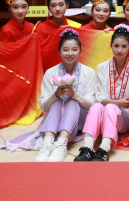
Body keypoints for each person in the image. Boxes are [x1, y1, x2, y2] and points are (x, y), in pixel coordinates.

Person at [73, 25, 129, 162]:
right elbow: (100, 96)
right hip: (109, 110)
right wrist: (119, 102)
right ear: (111, 45)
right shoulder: (102, 67)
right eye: (116, 45)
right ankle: (87, 148)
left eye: (124, 46)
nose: (119, 50)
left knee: (110, 107)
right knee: (96, 106)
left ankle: (104, 149)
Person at [33, 29, 95, 162]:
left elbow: (92, 104)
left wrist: (75, 95)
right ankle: (48, 144)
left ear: (80, 51)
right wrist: (55, 95)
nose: (70, 53)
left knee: (72, 102)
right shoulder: (51, 72)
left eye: (74, 49)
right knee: (56, 101)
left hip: (80, 120)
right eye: (66, 50)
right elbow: (43, 106)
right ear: (59, 51)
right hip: (55, 121)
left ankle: (61, 144)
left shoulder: (88, 72)